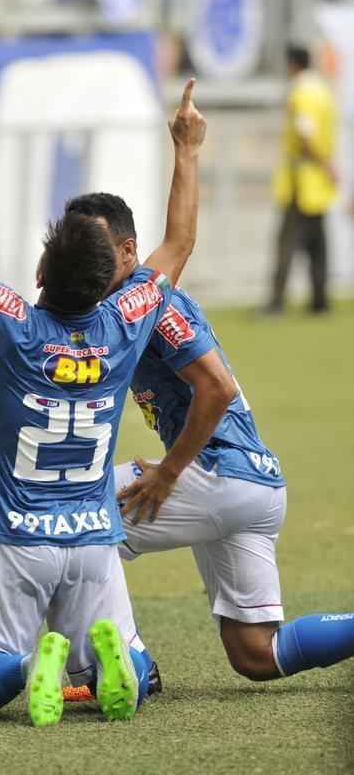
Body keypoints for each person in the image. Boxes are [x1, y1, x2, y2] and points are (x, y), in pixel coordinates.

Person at [0, 75, 207, 725]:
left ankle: (28, 663)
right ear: (110, 279)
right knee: (124, 666)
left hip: (17, 541)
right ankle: (119, 665)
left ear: (41, 274)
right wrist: (186, 148)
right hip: (92, 541)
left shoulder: (14, 326)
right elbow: (178, 243)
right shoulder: (124, 322)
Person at [63, 207, 354, 705]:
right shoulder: (124, 303)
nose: (83, 264)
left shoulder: (155, 306)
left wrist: (170, 473)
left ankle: (118, 670)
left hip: (219, 473)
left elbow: (216, 390)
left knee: (69, 518)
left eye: (93, 251)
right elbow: (180, 238)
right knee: (256, 654)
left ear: (130, 251)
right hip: (252, 487)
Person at [267, 43, 337, 314]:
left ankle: (276, 301)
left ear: (292, 64)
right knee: (318, 244)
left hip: (301, 181)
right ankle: (320, 300)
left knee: (287, 242)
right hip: (318, 183)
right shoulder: (323, 91)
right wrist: (328, 167)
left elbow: (306, 134)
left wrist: (324, 164)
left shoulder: (301, 94)